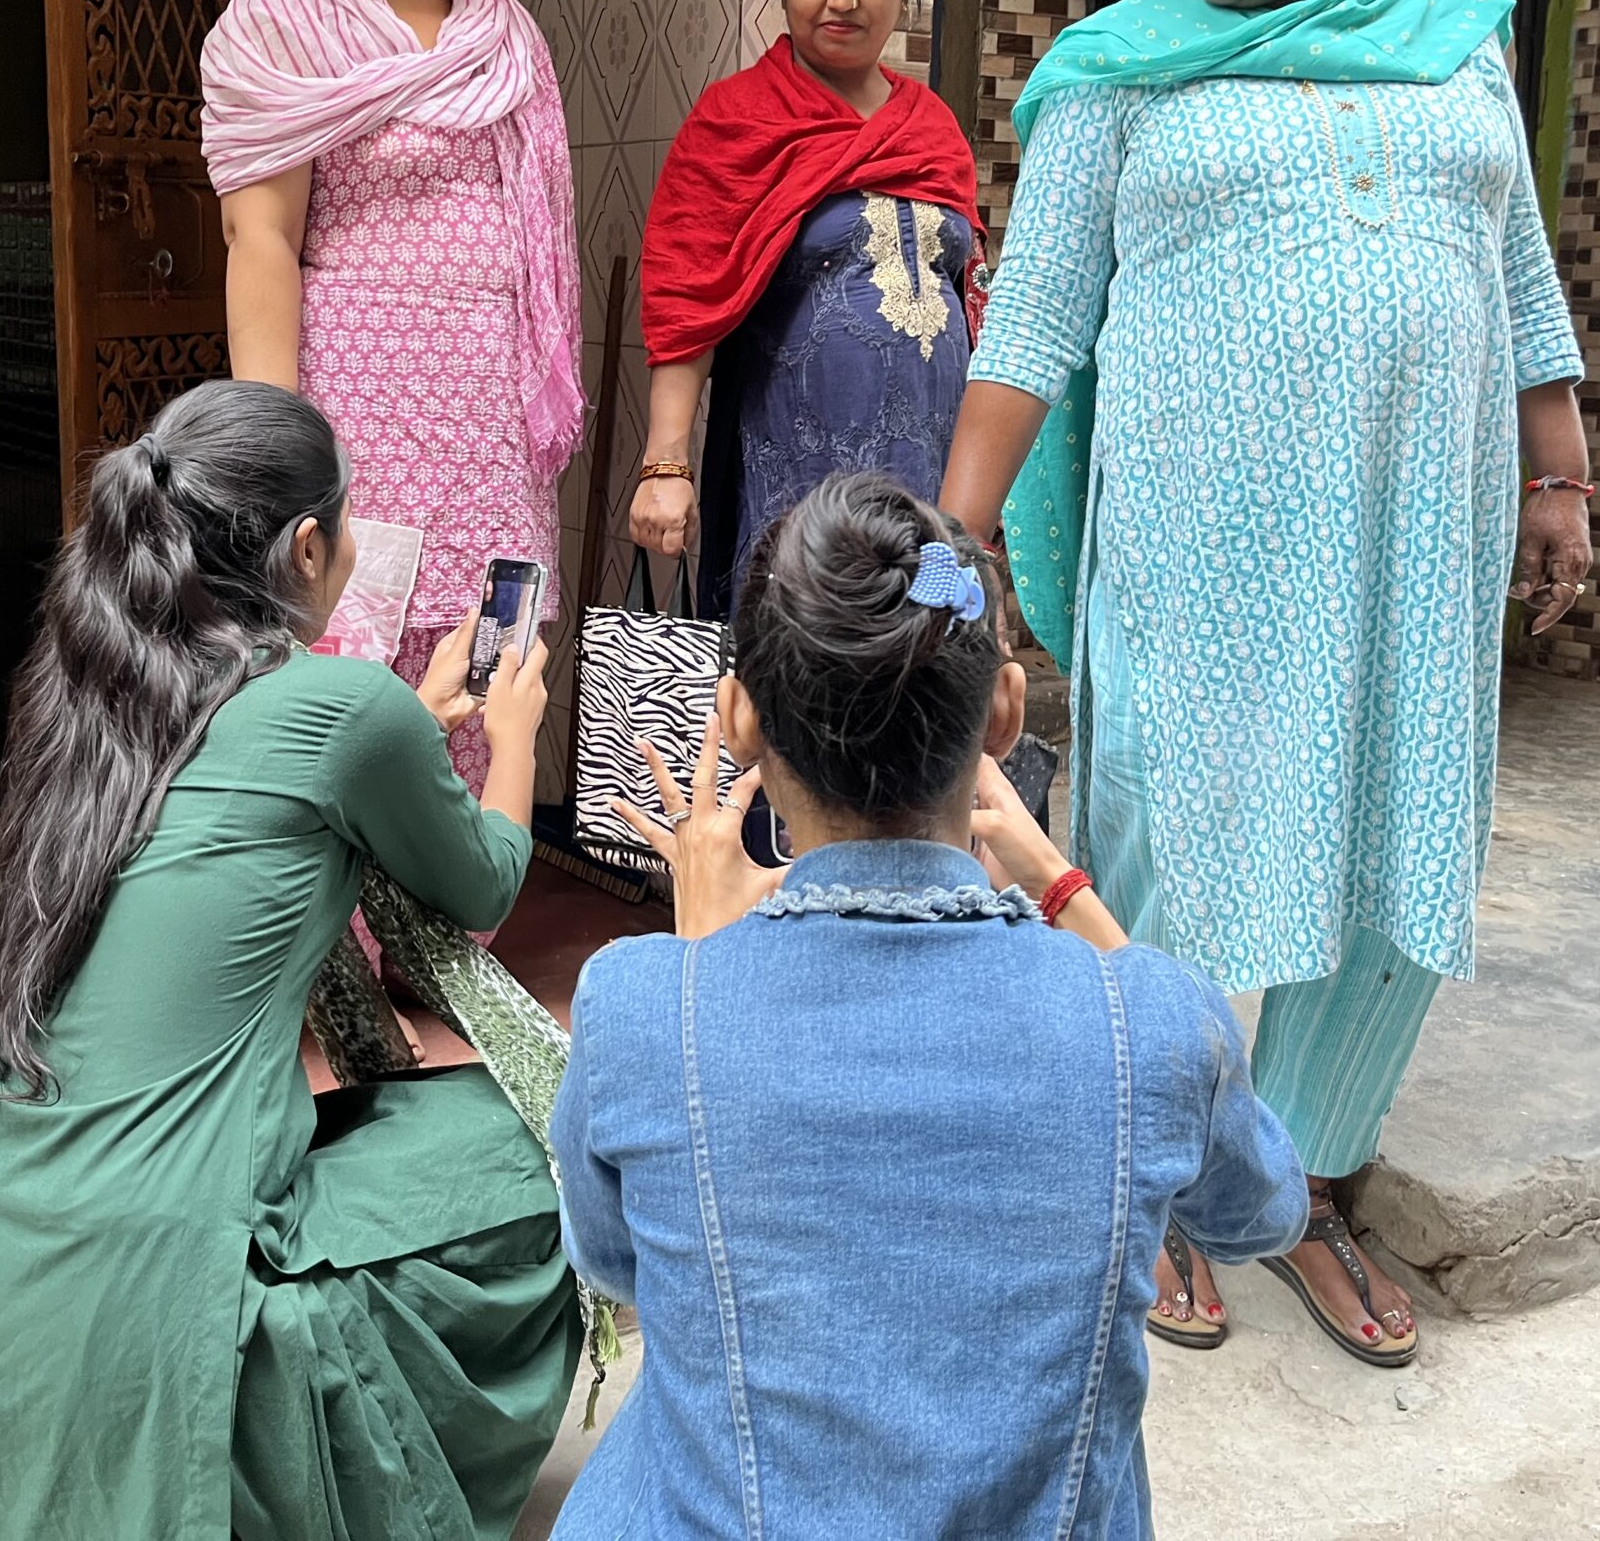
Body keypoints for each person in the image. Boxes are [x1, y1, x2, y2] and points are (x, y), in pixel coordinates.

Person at [941, 0, 1594, 1367]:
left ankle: (1297, 1184)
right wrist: (957, 526)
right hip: (1197, 535)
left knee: (1397, 827)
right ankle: (1157, 1173)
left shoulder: (1455, 44)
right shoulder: (1121, 68)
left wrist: (1559, 477)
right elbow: (1036, 311)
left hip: (1417, 543)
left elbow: (1515, 269)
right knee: (1160, 831)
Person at [548, 471, 1306, 1538]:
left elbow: (616, 1259)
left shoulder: (636, 1007)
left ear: (741, 718)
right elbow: (1260, 1213)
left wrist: (701, 964)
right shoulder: (1154, 1022)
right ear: (1002, 711)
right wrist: (1068, 894)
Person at [0, 380, 581, 1540]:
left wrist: (408, 727)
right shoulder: (342, 708)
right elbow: (479, 881)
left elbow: (246, 797)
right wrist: (514, 735)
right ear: (307, 544)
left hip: (5, 1222)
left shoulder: (85, 700)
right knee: (534, 1140)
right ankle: (349, 1470)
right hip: (170, 1246)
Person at [206, 0, 580, 801]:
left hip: (491, 421)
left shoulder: (504, 31)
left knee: (487, 668)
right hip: (353, 410)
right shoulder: (276, 24)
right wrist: (275, 447)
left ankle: (452, 943)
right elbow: (263, 240)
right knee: (344, 677)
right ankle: (345, 953)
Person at [628, 0, 984, 617]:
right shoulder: (735, 122)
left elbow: (974, 305)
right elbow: (685, 304)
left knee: (921, 658)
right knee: (796, 672)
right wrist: (666, 463)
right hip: (792, 474)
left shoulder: (935, 130)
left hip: (931, 478)